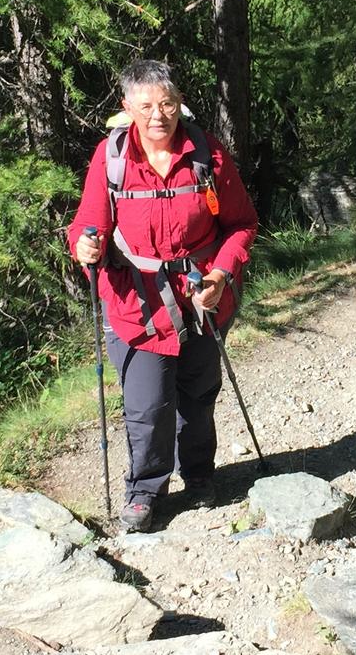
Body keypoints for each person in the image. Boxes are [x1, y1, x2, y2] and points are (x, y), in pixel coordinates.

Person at [68, 60, 258, 532]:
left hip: (199, 298)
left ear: (180, 104)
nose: (159, 115)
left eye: (167, 103)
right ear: (127, 107)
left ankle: (198, 477)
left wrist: (220, 275)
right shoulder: (111, 158)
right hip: (138, 305)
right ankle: (144, 492)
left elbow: (241, 224)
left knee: (198, 394)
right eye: (147, 105)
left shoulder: (206, 155)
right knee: (148, 404)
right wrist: (84, 246)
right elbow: (86, 225)